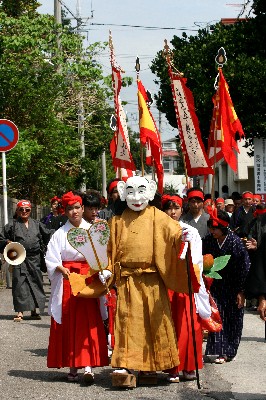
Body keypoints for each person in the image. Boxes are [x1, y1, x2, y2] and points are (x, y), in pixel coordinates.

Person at [102, 176, 200, 385]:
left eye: (141, 192)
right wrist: (107, 269)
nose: (136, 198)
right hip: (127, 281)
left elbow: (174, 235)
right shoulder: (117, 221)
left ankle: (151, 366)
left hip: (153, 280)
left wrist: (183, 238)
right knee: (126, 323)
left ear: (150, 191)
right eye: (131, 192)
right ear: (122, 192)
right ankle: (125, 364)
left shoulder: (159, 217)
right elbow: (109, 250)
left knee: (153, 323)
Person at [45, 191, 108, 383]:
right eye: (70, 208)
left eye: (77, 207)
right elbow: (50, 258)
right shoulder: (59, 234)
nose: (74, 212)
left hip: (88, 279)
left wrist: (102, 270)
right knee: (71, 322)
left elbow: (102, 255)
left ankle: (88, 365)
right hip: (68, 281)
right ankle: (73, 365)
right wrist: (60, 267)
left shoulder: (93, 230)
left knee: (89, 322)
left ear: (83, 208)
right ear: (65, 211)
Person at [161, 194, 211, 382]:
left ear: (182, 210)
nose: (172, 212)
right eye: (168, 208)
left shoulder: (191, 231)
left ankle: (188, 365)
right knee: (168, 327)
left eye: (176, 208)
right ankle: (171, 367)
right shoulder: (157, 230)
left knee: (187, 325)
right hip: (165, 284)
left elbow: (197, 258)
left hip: (185, 283)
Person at [202, 210, 250, 363]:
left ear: (224, 227)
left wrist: (241, 291)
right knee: (216, 315)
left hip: (233, 286)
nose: (212, 231)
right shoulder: (208, 241)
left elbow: (245, 267)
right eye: (211, 228)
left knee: (232, 318)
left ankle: (228, 350)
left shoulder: (236, 243)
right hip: (214, 285)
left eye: (215, 228)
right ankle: (217, 350)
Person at [0, 200, 52, 321]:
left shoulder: (37, 224)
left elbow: (48, 235)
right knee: (19, 284)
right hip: (18, 258)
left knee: (35, 283)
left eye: (27, 210)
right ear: (17, 211)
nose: (24, 212)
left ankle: (34, 311)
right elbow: (1, 238)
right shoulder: (11, 225)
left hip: (35, 259)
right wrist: (8, 242)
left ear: (30, 211)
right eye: (21, 209)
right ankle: (20, 312)